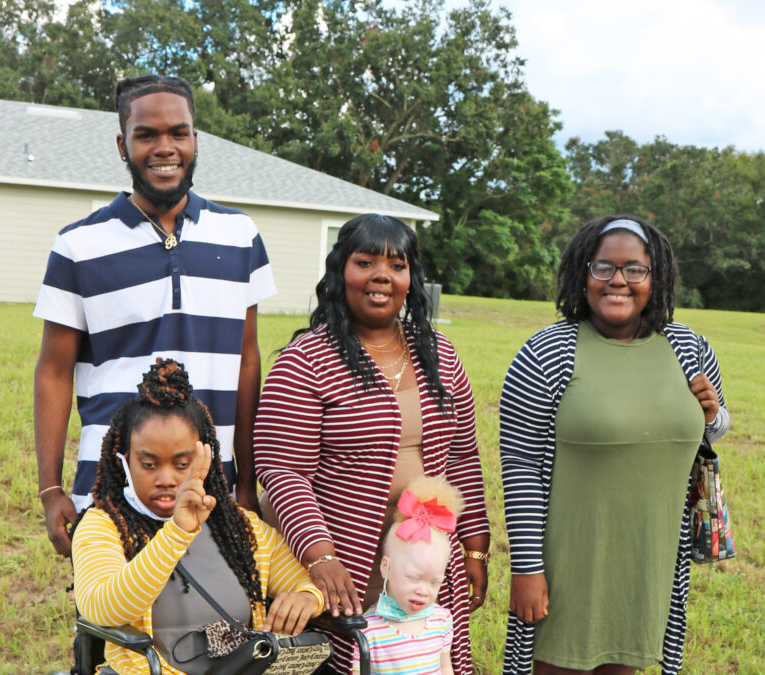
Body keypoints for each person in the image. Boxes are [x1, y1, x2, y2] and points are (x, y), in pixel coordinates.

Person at [33, 74, 276, 561]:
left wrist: (246, 479)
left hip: (215, 492)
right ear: (123, 145)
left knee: (220, 630)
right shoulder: (78, 245)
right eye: (146, 135)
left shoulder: (240, 235)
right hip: (110, 497)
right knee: (120, 633)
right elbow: (54, 371)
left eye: (178, 133)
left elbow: (247, 362)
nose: (164, 148)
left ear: (195, 140)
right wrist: (49, 488)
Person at [254, 213, 491, 674]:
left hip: (421, 557)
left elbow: (463, 457)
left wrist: (474, 547)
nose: (382, 275)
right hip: (341, 558)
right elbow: (284, 471)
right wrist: (320, 556)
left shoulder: (438, 353)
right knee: (348, 658)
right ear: (341, 271)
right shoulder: (307, 360)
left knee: (419, 660)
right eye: (365, 262)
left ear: (410, 280)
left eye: (397, 265)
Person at [499, 216, 731, 675]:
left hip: (651, 561)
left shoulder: (688, 347)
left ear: (656, 277)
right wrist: (526, 569)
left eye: (634, 269)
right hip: (567, 565)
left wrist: (713, 416)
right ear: (582, 274)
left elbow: (705, 436)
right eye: (603, 267)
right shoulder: (546, 353)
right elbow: (521, 464)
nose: (618, 280)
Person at [72, 359, 324, 675]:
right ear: (124, 462)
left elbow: (304, 577)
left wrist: (308, 597)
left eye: (182, 464)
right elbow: (103, 608)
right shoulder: (103, 526)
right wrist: (177, 531)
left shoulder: (238, 526)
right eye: (149, 465)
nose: (166, 479)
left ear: (205, 458)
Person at [354, 475, 463, 675]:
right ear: (386, 567)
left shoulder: (441, 620)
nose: (423, 591)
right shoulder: (369, 630)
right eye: (413, 578)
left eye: (434, 582)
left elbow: (445, 666)